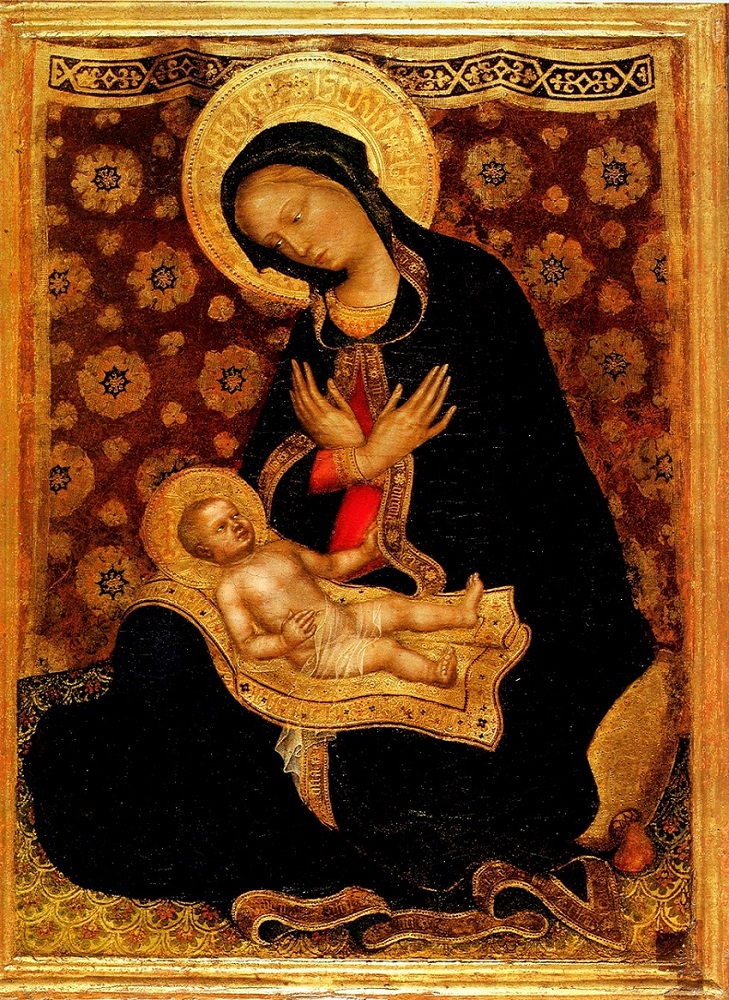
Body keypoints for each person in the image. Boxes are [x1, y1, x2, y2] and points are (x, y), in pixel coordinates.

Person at [25, 119, 655, 914]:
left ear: (349, 180)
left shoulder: (469, 290)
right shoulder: (315, 329)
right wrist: (356, 460)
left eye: (296, 212)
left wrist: (391, 473)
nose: (297, 244)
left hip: (468, 580)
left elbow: (518, 468)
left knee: (395, 764)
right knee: (157, 639)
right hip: (313, 581)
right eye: (273, 242)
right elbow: (264, 485)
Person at [176, 493, 485, 684]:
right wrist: (285, 640)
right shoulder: (229, 588)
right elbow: (247, 644)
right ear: (204, 552)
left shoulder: (281, 548)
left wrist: (365, 552)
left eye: (235, 515)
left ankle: (462, 616)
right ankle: (434, 674)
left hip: (344, 619)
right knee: (386, 651)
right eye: (221, 527)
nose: (236, 524)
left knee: (397, 607)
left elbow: (331, 566)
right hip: (319, 653)